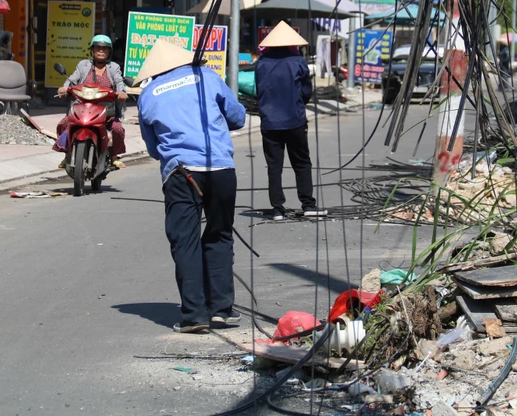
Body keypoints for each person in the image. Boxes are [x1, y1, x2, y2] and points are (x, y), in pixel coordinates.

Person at [136, 39, 247, 334]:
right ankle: (222, 309)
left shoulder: (148, 94)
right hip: (221, 168)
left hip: (181, 172)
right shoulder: (207, 77)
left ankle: (195, 314)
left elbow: (153, 148)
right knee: (220, 235)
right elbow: (237, 117)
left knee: (185, 241)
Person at [255, 22, 325, 221]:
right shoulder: (297, 61)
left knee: (274, 166)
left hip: (269, 122)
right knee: (302, 163)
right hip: (294, 119)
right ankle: (308, 204)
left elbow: (259, 90)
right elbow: (306, 91)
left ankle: (277, 209)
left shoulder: (261, 62)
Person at [54, 35, 128, 168]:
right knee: (63, 124)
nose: (101, 51)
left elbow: (119, 81)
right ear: (92, 50)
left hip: (106, 112)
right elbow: (72, 79)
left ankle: (114, 156)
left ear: (109, 51)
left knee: (117, 129)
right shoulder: (83, 65)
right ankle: (67, 154)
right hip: (82, 108)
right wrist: (64, 88)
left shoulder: (114, 67)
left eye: (104, 49)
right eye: (98, 48)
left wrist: (122, 93)